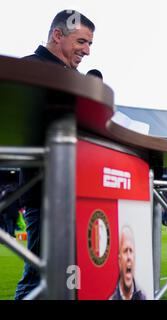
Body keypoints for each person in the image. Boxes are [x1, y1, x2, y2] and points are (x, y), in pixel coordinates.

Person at [15, 9, 95, 300]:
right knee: (39, 278)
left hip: (81, 194)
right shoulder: (29, 69)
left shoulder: (71, 77)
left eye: (89, 44)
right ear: (57, 35)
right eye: (81, 42)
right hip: (46, 194)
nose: (86, 51)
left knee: (70, 277)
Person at [110, 226, 146, 300]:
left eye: (131, 251)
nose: (129, 257)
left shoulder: (143, 297)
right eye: (125, 251)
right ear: (119, 260)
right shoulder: (112, 298)